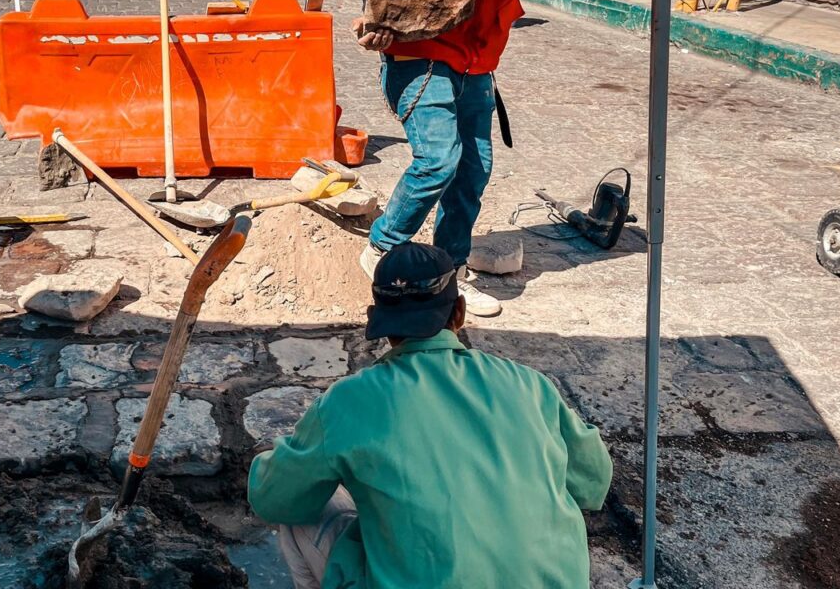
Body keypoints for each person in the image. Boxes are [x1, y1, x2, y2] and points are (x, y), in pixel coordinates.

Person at [247, 242, 613, 589]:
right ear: (460, 312)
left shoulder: (350, 401)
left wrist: (274, 460)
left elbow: (274, 499)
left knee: (303, 514)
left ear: (377, 321)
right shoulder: (530, 385)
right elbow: (592, 484)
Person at [354, 0, 567, 317]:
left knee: (472, 170)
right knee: (438, 159)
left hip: (478, 60)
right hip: (417, 50)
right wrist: (377, 17)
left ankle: (451, 272)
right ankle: (382, 249)